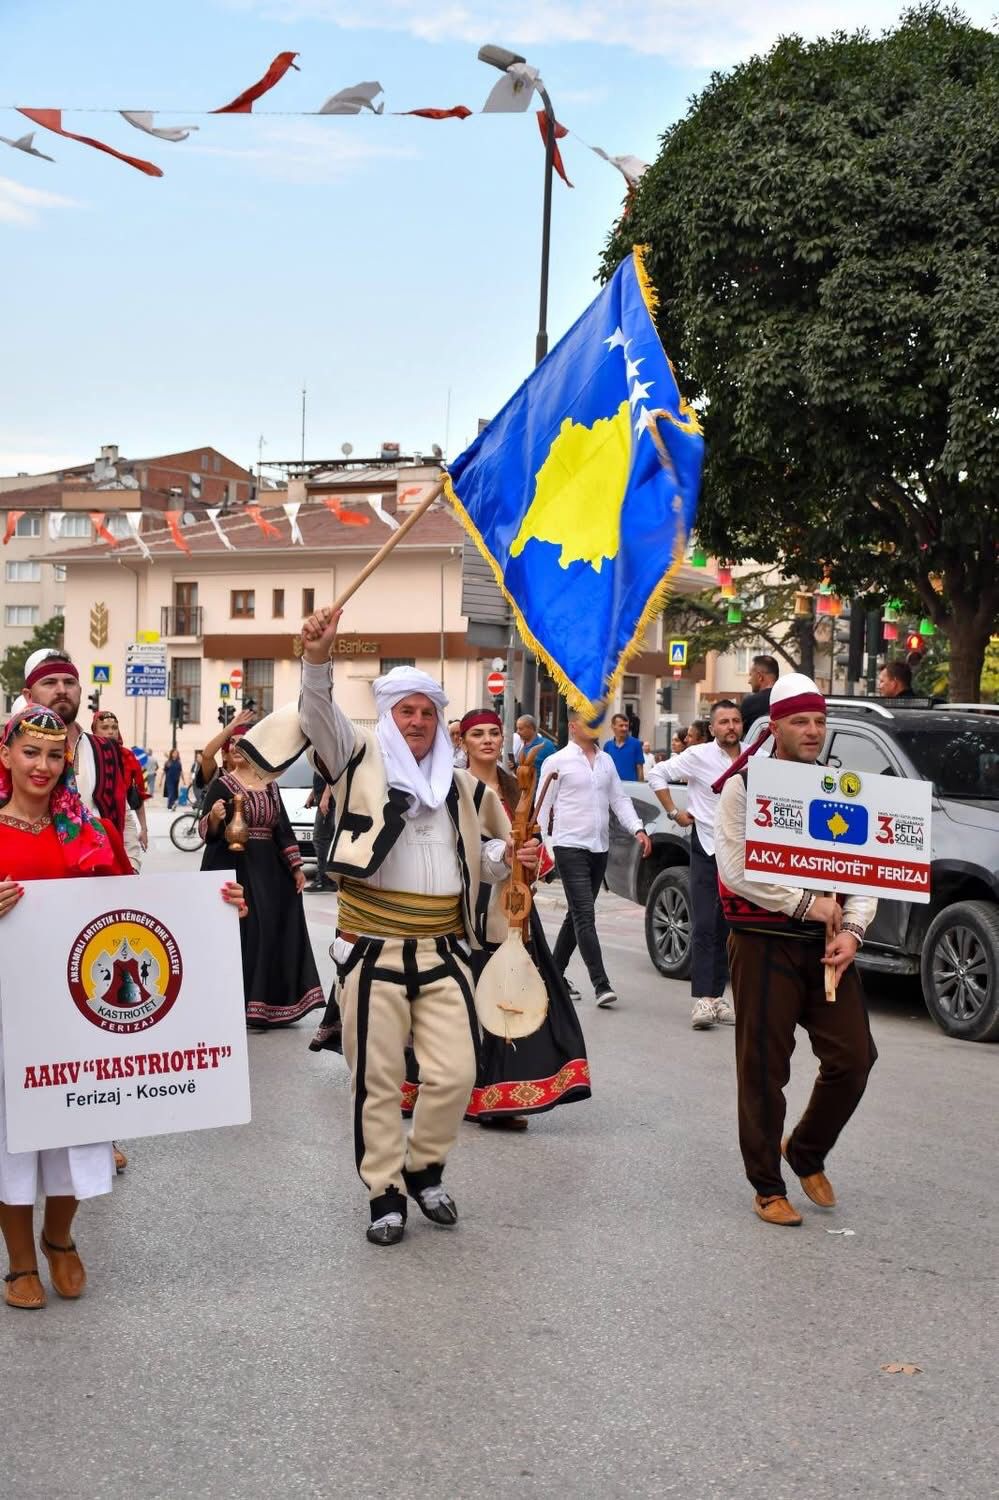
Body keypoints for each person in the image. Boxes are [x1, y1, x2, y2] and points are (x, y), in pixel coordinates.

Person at [292, 604, 536, 1247]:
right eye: (408, 712)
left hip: (443, 950)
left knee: (455, 1074)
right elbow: (316, 717)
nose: (419, 722)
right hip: (372, 950)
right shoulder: (357, 761)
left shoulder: (460, 787)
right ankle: (384, 1192)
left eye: (428, 713)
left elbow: (477, 859)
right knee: (374, 1083)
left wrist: (510, 856)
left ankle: (424, 1167)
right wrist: (318, 659)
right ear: (390, 718)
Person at [0, 704, 247, 1307]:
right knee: (14, 1138)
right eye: (30, 752)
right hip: (12, 1011)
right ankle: (20, 1261)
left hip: (80, 1018)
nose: (42, 765)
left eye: (55, 756)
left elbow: (136, 916)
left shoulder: (93, 832)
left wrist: (215, 907)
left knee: (77, 1127)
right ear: (6, 756)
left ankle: (59, 1238)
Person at [713, 674, 877, 1228]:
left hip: (826, 944)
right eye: (800, 721)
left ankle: (804, 1150)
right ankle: (767, 1185)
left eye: (819, 721)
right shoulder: (744, 787)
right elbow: (735, 872)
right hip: (763, 943)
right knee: (764, 1068)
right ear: (775, 727)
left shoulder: (838, 785)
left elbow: (864, 866)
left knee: (854, 1058)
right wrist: (808, 904)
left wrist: (852, 928)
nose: (812, 731)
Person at [459, 708, 590, 1130]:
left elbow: (533, 838)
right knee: (472, 997)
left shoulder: (518, 785)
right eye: (476, 734)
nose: (487, 740)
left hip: (514, 906)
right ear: (463, 742)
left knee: (514, 995)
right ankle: (468, 1092)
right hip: (468, 905)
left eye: (494, 733)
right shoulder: (453, 787)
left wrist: (532, 858)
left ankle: (505, 1093)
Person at [199, 730, 323, 1030]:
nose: (238, 750)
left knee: (274, 929)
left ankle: (272, 1003)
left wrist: (295, 867)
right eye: (233, 747)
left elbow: (282, 827)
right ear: (227, 754)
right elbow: (207, 831)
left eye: (246, 747)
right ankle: (240, 1003)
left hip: (271, 869)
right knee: (248, 932)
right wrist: (215, 817)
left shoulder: (270, 786)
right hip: (234, 866)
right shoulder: (222, 784)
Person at [538, 710, 652, 1008]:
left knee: (575, 915)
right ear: (573, 725)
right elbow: (542, 807)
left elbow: (619, 799)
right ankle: (601, 984)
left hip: (599, 848)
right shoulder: (557, 761)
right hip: (568, 846)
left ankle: (552, 975)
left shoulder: (606, 761)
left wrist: (638, 829)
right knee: (585, 915)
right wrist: (544, 849)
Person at [648, 701, 744, 1029]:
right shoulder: (699, 755)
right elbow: (656, 773)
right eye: (724, 722)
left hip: (740, 851)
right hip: (705, 845)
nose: (730, 726)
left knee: (727, 926)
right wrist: (675, 812)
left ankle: (718, 996)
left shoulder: (754, 757)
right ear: (713, 728)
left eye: (735, 721)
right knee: (704, 923)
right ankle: (702, 999)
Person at [22, 651, 127, 848]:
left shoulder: (106, 749)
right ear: (28, 696)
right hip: (32, 871)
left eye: (69, 683)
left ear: (79, 690)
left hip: (101, 869)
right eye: (50, 683)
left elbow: (123, 812)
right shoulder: (10, 752)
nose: (62, 690)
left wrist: (131, 865)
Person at [91, 709, 149, 871]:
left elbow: (137, 795)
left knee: (132, 866)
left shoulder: (128, 757)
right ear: (94, 731)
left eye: (114, 727)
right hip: (94, 818)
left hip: (124, 815)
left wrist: (143, 829)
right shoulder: (85, 754)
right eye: (105, 727)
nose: (110, 731)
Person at [304, 770, 334, 891]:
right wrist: (312, 795)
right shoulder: (317, 753)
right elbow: (321, 775)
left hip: (329, 802)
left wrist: (326, 797)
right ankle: (326, 878)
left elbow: (332, 776)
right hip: (324, 800)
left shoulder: (326, 752)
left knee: (320, 839)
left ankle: (324, 879)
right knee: (324, 839)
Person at [739, 654, 780, 732]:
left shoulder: (750, 703)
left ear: (759, 676)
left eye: (751, 675)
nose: (749, 681)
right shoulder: (787, 699)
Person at [603, 711, 646, 782]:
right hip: (613, 788)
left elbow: (640, 768)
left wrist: (640, 788)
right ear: (613, 727)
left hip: (631, 788)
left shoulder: (636, 744)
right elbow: (604, 769)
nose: (624, 728)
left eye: (626, 726)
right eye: (621, 725)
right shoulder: (607, 746)